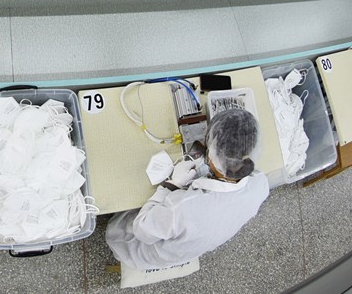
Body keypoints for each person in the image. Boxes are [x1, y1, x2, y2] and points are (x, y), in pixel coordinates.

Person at [105, 109, 269, 270]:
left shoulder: (182, 209)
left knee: (125, 215)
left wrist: (170, 185)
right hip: (190, 245)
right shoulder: (261, 185)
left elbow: (141, 230)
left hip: (141, 250)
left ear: (212, 154)